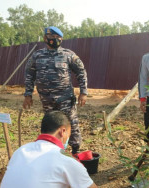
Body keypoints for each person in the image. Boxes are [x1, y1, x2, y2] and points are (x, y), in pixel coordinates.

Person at [23, 26, 88, 155]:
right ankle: (53, 152)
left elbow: (81, 72)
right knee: (51, 126)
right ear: (45, 39)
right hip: (47, 100)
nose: (53, 40)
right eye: (50, 38)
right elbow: (29, 74)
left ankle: (75, 150)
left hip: (65, 99)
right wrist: (28, 94)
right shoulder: (37, 56)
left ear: (61, 39)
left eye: (57, 38)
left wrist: (83, 92)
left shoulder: (68, 55)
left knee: (71, 124)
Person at [0, 111, 97, 188]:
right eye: (69, 134)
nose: (68, 139)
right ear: (63, 131)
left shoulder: (21, 151)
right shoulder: (68, 161)